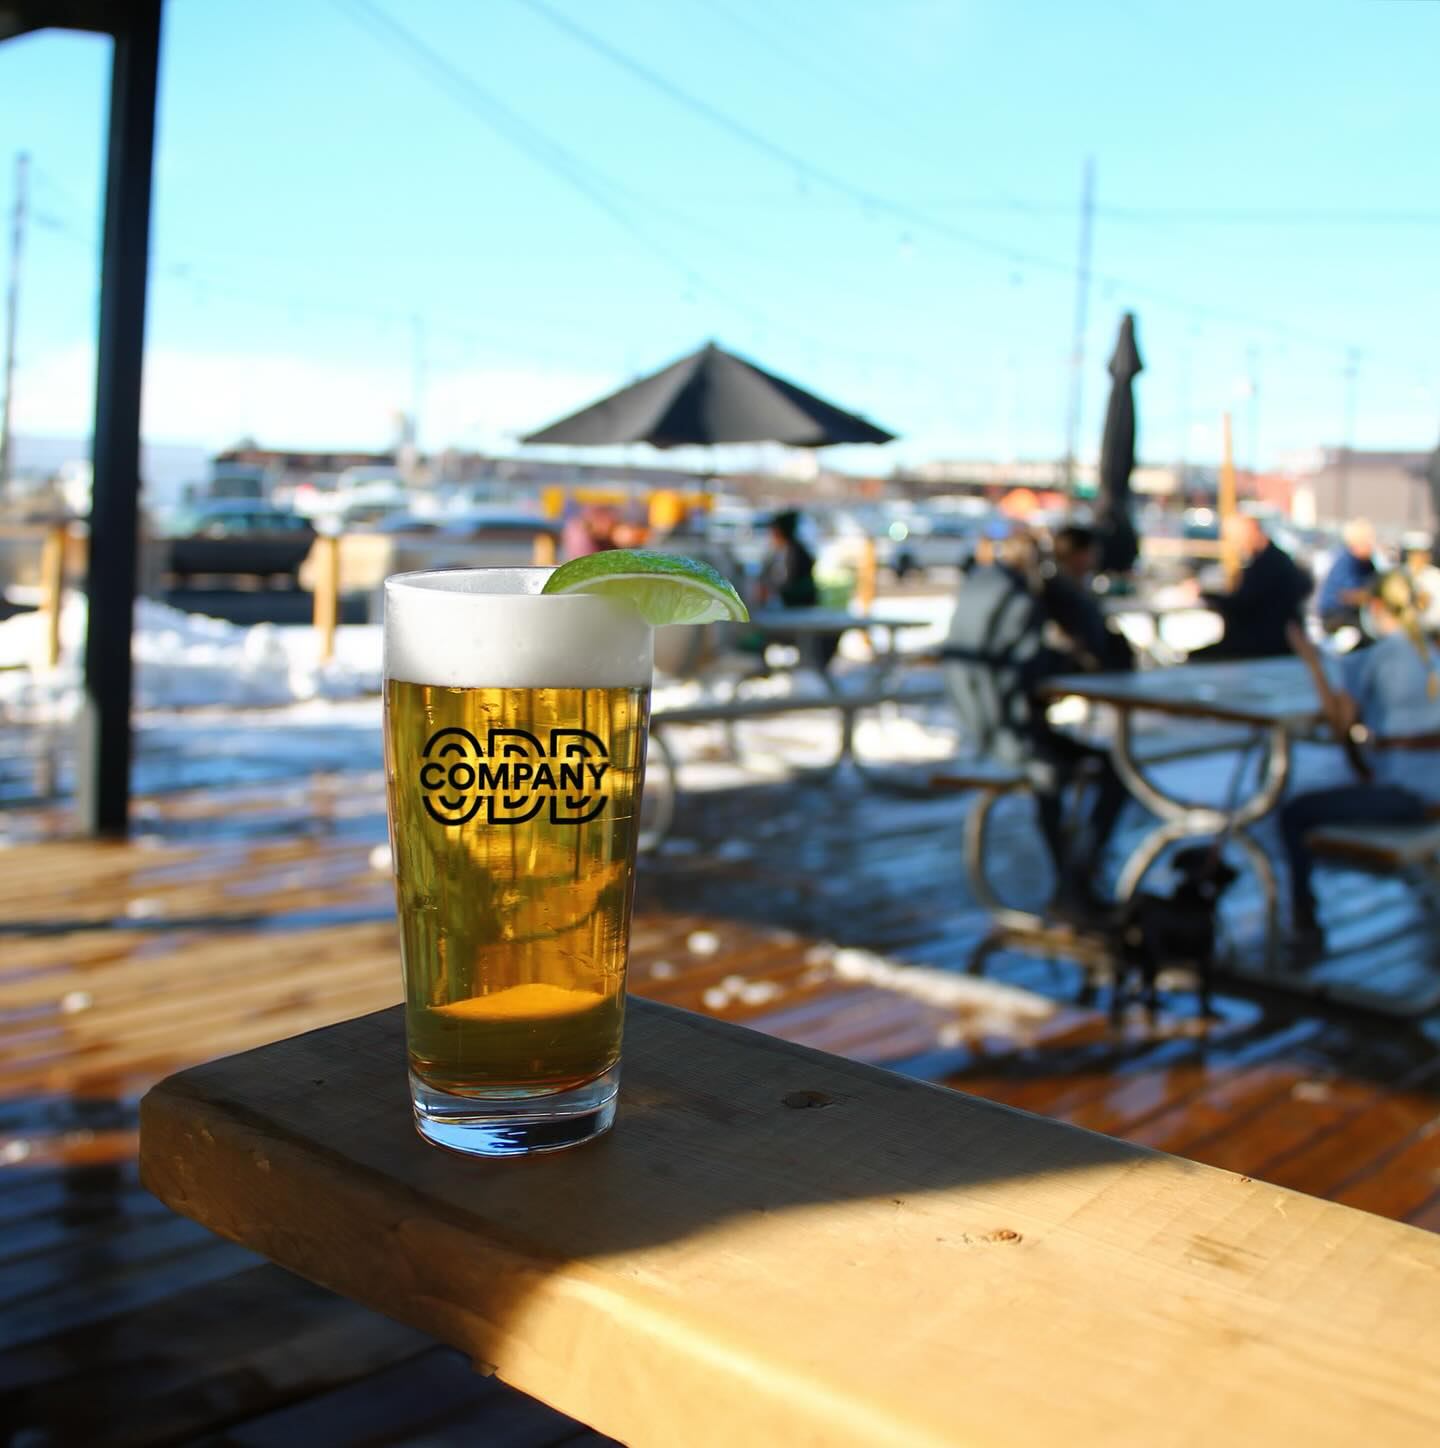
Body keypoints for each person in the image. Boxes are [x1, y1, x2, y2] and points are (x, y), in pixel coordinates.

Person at [942, 528, 1128, 910]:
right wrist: (1069, 659)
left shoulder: (983, 584)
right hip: (1006, 729)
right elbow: (1026, 666)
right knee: (1091, 772)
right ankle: (1074, 879)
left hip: (980, 717)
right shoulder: (1019, 600)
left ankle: (1074, 879)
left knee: (1085, 768)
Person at [1282, 571, 1440, 955]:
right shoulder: (1431, 652)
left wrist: (1313, 664)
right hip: (1429, 783)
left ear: (1375, 607)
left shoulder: (1376, 655)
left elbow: (1340, 723)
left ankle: (1305, 921)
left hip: (1412, 794)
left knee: (1293, 813)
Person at [1196, 514, 1313, 659]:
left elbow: (1243, 604)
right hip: (1271, 639)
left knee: (1197, 659)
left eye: (1236, 538)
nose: (1235, 544)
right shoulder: (1272, 559)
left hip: (1266, 643)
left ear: (1251, 533)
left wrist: (1204, 595)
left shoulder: (1268, 564)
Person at [1042, 524, 1134, 673]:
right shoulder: (1059, 591)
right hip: (1080, 673)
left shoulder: (1069, 586)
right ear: (1079, 554)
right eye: (1093, 552)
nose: (1097, 557)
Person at [1317, 518, 1378, 637]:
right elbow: (1346, 595)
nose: (1371, 545)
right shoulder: (1347, 562)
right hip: (1336, 616)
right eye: (1368, 541)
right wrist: (1372, 596)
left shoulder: (1367, 563)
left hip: (1353, 614)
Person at [756, 509, 820, 609]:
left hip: (798, 605)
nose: (771, 535)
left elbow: (788, 581)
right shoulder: (778, 550)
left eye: (774, 531)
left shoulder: (796, 552)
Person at [1403, 534, 1440, 635]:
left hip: (1432, 632)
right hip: (1405, 632)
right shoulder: (1400, 574)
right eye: (1414, 554)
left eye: (1421, 553)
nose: (1418, 558)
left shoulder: (1435, 576)